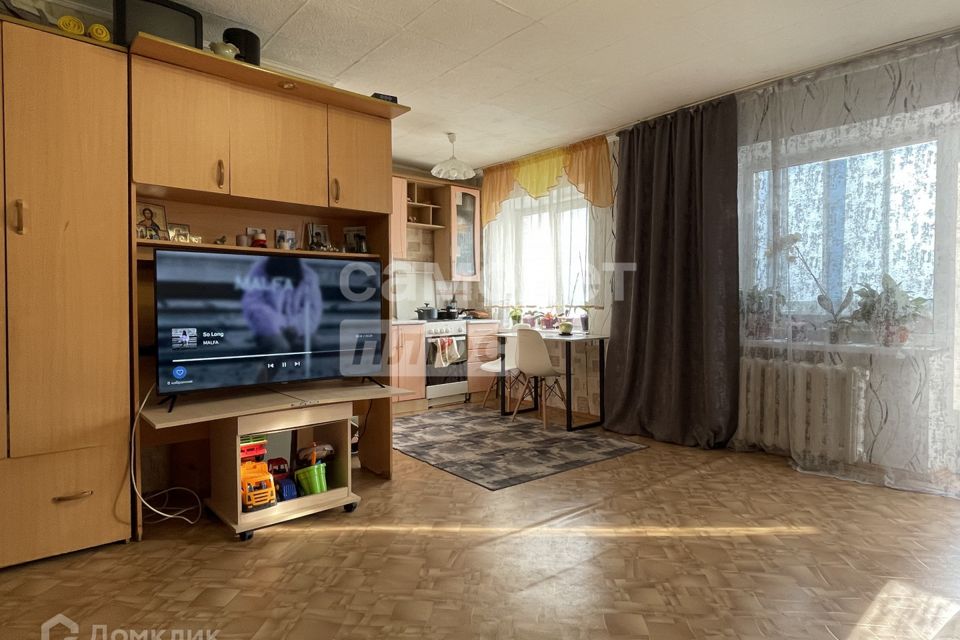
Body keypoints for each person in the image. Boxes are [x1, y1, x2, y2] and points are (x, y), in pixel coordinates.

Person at [241, 257, 323, 355]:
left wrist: (296, 327)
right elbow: (253, 305)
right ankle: (269, 363)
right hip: (268, 328)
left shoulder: (309, 276)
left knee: (315, 343)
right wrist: (280, 326)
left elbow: (312, 309)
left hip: (295, 330)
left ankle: (287, 355)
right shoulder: (259, 270)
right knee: (281, 347)